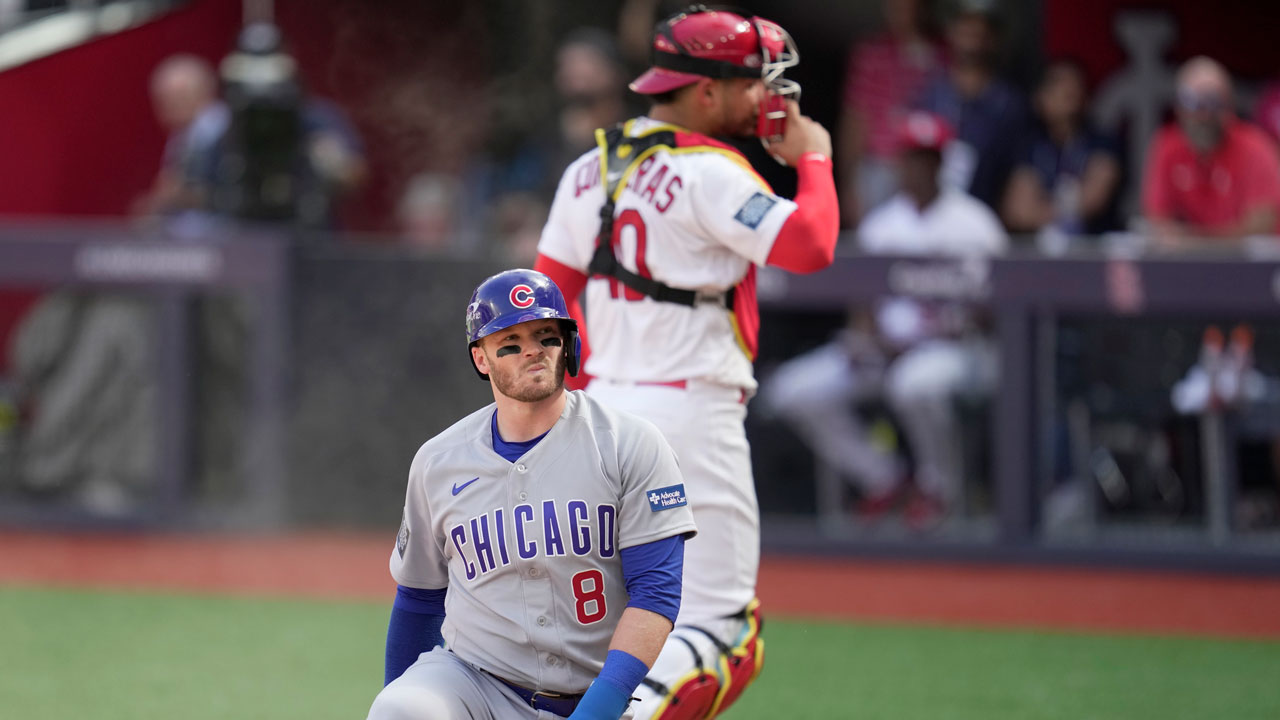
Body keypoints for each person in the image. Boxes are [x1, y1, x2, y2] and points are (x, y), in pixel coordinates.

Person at [534, 7, 838, 717]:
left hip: (599, 413)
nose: (769, 95)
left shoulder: (588, 168)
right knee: (723, 633)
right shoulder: (710, 172)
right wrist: (814, 157)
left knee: (610, 628)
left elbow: (548, 308)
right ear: (704, 92)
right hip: (689, 418)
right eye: (755, 81)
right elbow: (812, 244)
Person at [367, 269, 696, 720]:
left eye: (546, 335)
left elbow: (655, 593)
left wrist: (599, 710)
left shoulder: (630, 443)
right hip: (474, 683)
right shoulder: (438, 462)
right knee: (404, 708)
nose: (532, 351)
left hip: (594, 696)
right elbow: (419, 598)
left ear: (569, 344)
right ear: (481, 359)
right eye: (511, 341)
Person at [856, 111, 1008, 526]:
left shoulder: (976, 223)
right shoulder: (882, 224)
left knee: (914, 383)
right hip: (887, 349)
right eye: (911, 157)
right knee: (797, 390)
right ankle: (883, 478)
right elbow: (859, 300)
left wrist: (960, 319)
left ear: (943, 162)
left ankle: (941, 489)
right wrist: (866, 337)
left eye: (928, 158)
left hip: (956, 350)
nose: (918, 167)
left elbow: (1004, 307)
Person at [1142, 56, 1280, 249]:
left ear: (1229, 106)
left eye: (1212, 102)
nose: (1203, 115)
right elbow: (1157, 221)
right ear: (1178, 108)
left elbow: (1261, 226)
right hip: (1189, 266)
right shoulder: (1166, 145)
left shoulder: (1256, 146)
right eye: (1193, 103)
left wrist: (1191, 241)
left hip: (1247, 268)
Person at [911, 0, 1028, 212]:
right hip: (933, 217)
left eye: (982, 27)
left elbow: (1018, 172)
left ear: (994, 37)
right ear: (952, 31)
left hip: (987, 219)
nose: (974, 33)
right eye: (966, 24)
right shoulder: (931, 95)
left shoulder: (1009, 104)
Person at [839, 0, 944, 224]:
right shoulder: (872, 53)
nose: (902, 12)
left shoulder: (942, 52)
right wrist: (848, 183)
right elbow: (856, 119)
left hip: (926, 165)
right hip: (880, 165)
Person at [1002, 58, 1123, 242]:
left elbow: (1094, 199)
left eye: (1075, 84)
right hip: (1042, 254)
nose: (1068, 89)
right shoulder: (1031, 146)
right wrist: (1068, 208)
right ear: (1040, 98)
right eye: (1057, 84)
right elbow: (1018, 212)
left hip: (1093, 250)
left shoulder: (1103, 142)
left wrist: (1041, 209)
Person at [132, 54, 229, 222]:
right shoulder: (183, 134)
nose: (167, 108)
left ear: (204, 92)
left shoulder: (223, 131)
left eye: (178, 98)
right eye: (162, 100)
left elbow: (228, 195)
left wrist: (173, 197)